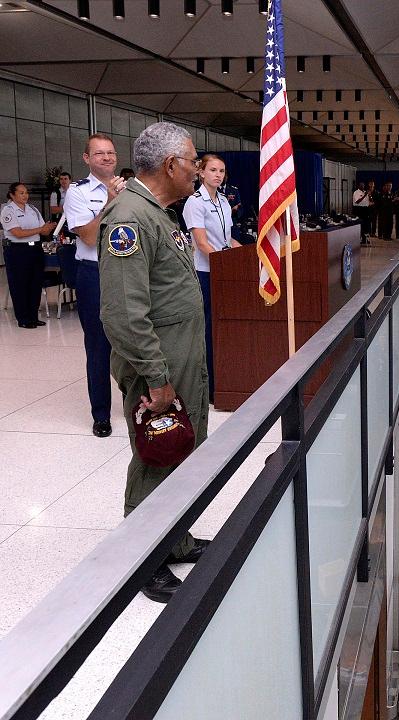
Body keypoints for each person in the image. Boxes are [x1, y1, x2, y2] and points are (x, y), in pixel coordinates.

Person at [97, 121, 211, 603]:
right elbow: (123, 311)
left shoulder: (160, 213)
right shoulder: (129, 218)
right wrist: (158, 378)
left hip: (182, 357)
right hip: (157, 366)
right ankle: (144, 558)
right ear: (170, 165)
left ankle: (176, 539)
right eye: (193, 163)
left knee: (183, 450)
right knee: (155, 455)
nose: (198, 172)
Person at [65, 133, 127, 438]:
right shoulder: (78, 192)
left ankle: (136, 405)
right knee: (99, 346)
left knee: (132, 341)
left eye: (111, 153)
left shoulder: (131, 188)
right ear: (87, 158)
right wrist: (111, 202)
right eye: (99, 153)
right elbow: (89, 237)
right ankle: (101, 414)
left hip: (127, 273)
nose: (106, 157)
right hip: (95, 272)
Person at [182, 154, 238, 403]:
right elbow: (202, 243)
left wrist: (248, 251)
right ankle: (208, 386)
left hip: (223, 271)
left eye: (222, 171)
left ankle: (225, 379)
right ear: (201, 172)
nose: (218, 174)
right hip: (206, 273)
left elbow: (227, 240)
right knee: (207, 331)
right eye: (213, 170)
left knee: (223, 329)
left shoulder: (224, 201)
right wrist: (225, 263)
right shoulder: (195, 203)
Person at [2, 183, 55, 329]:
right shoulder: (8, 210)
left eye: (26, 192)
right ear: (12, 195)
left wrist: (49, 228)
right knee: (20, 284)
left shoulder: (33, 209)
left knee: (35, 283)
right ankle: (23, 318)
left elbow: (43, 232)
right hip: (17, 251)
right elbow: (17, 233)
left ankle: (33, 316)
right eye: (21, 193)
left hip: (35, 249)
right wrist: (40, 229)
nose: (25, 195)